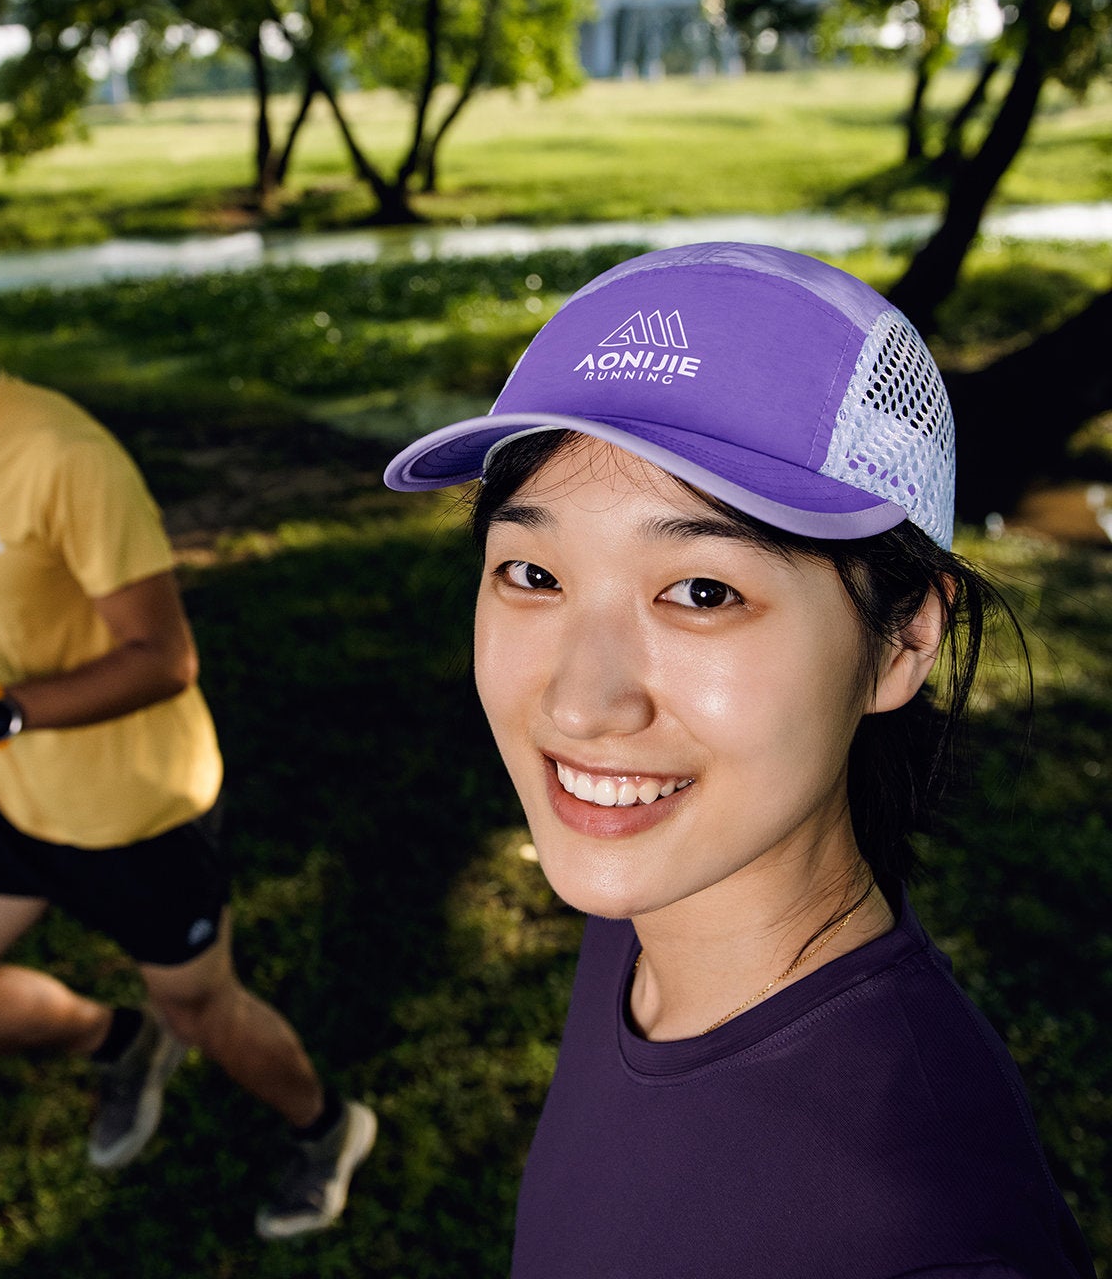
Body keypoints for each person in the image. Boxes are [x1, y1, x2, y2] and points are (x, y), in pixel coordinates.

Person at [384, 242, 1095, 1277]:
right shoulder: (643, 919)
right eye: (533, 574)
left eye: (703, 592)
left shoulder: (919, 1234)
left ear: (905, 638)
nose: (581, 704)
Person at [0, 181, 375, 1239]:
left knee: (200, 1006)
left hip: (140, 811)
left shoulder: (66, 456)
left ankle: (328, 1126)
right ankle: (118, 1044)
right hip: (23, 795)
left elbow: (166, 660)